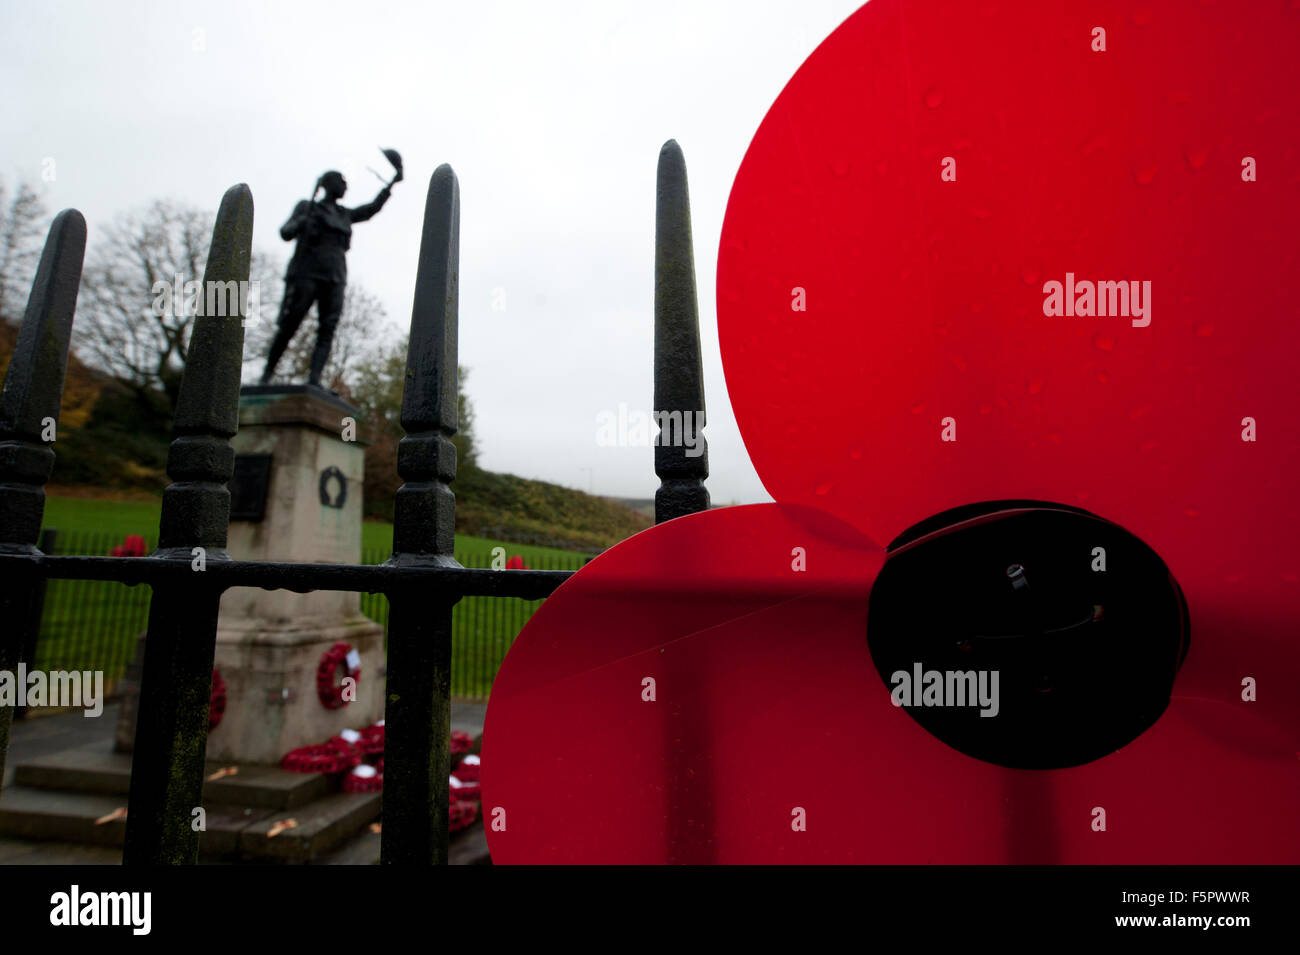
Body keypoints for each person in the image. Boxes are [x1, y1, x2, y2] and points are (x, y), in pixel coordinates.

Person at [260, 168, 400, 386]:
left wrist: (391, 184)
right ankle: (267, 374)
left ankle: (314, 378)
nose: (345, 186)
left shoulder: (344, 214)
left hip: (335, 275)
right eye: (341, 181)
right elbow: (286, 232)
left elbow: (370, 210)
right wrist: (300, 224)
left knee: (328, 327)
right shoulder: (308, 207)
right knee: (290, 323)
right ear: (328, 184)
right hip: (308, 271)